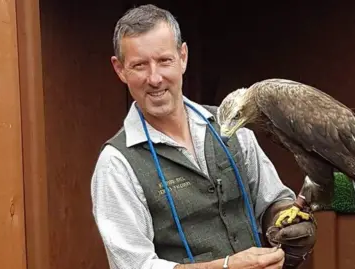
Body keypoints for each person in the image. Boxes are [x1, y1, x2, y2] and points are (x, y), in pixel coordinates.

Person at [90, 4, 317, 269]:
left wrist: (285, 221)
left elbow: (273, 200)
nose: (155, 78)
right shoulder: (117, 164)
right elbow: (135, 266)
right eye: (139, 65)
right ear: (120, 69)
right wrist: (225, 267)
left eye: (164, 61)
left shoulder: (232, 125)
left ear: (183, 57)